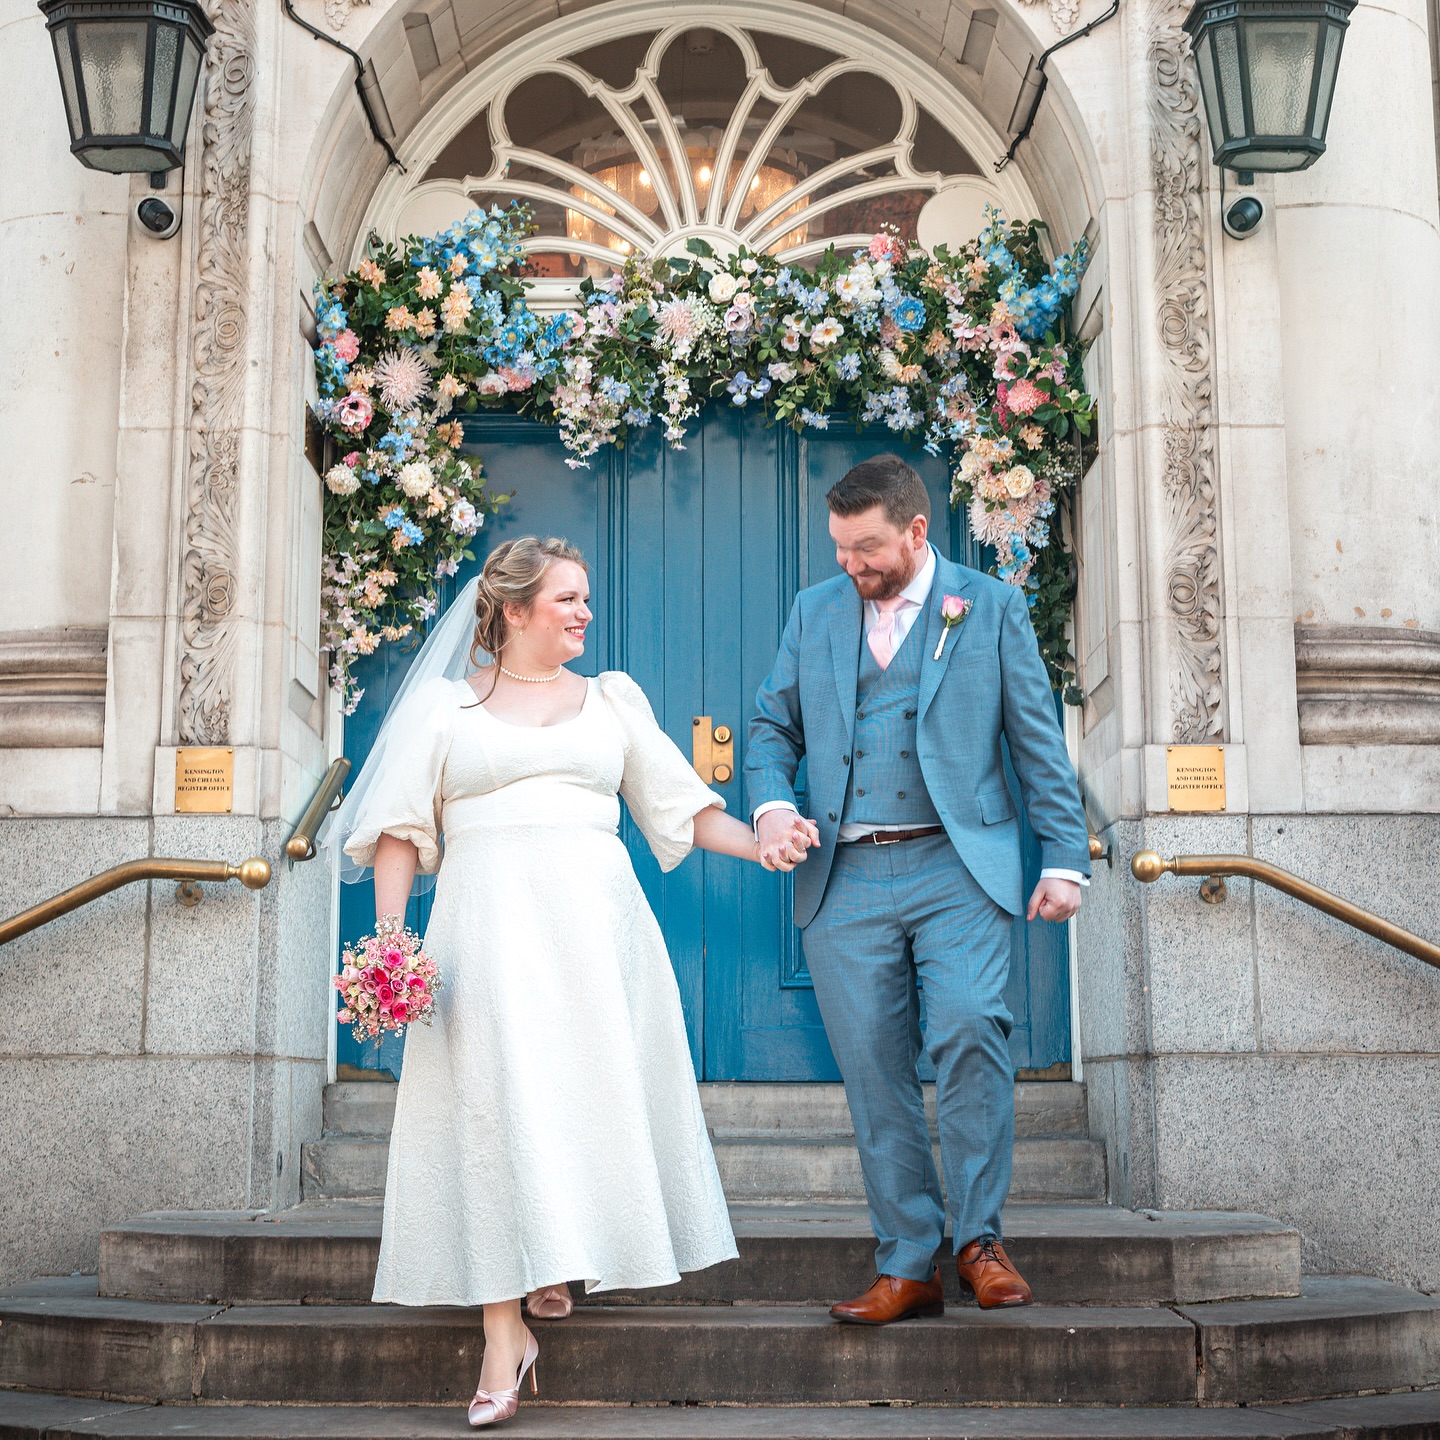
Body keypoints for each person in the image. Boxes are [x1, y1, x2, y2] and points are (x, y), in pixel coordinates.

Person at [327, 536, 814, 1427]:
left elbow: (681, 805)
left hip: (595, 932)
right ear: (514, 611)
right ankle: (503, 1334)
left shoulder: (612, 700)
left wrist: (762, 843)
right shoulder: (445, 711)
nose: (585, 613)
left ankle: (556, 1257)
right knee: (492, 1107)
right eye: (566, 600)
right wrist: (394, 943)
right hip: (485, 932)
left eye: (585, 599)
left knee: (576, 1099)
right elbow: (398, 831)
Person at [746, 455, 1091, 1323]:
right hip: (846, 874)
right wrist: (773, 806)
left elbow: (1036, 742)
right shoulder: (814, 612)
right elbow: (769, 727)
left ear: (916, 531)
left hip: (957, 867)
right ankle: (907, 1261)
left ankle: (979, 1242)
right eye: (840, 549)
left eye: (866, 549)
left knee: (973, 1027)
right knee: (872, 1067)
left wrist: (1064, 857)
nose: (850, 566)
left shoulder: (991, 607)